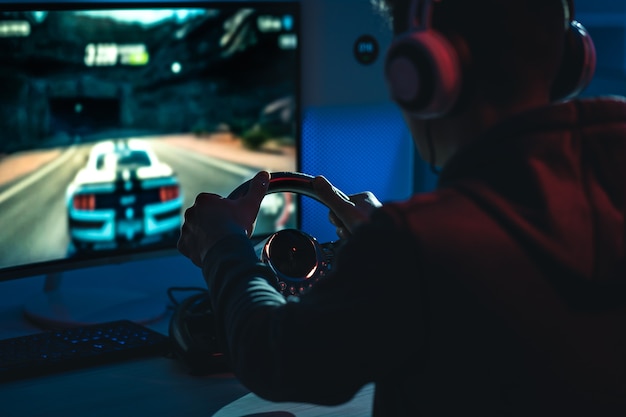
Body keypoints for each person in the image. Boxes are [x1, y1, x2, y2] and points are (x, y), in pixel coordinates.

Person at [177, 0, 626, 415]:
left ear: (424, 75)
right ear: (571, 61)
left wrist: (223, 245)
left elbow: (274, 360)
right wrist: (387, 242)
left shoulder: (419, 243)